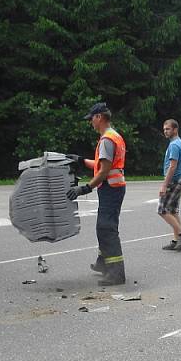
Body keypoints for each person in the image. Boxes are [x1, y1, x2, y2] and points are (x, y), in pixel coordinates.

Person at [66, 102, 127, 285]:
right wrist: (82, 160)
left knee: (106, 228)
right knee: (105, 226)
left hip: (110, 189)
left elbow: (103, 171)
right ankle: (103, 264)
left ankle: (116, 274)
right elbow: (102, 165)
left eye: (91, 118)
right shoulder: (113, 136)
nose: (90, 122)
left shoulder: (107, 139)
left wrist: (84, 188)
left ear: (99, 117)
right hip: (113, 188)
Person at [159, 119, 181, 250]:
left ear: (175, 129)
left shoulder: (174, 145)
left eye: (168, 129)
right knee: (173, 211)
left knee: (162, 210)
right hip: (180, 180)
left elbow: (172, 167)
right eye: (164, 129)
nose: (165, 131)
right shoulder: (178, 143)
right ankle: (176, 241)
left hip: (174, 182)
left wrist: (164, 185)